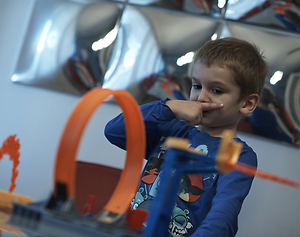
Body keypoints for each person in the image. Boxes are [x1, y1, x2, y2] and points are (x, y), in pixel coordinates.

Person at [104, 37, 268, 237]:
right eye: (197, 86)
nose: (201, 97)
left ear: (247, 104)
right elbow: (114, 131)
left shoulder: (238, 154)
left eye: (216, 90)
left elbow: (222, 216)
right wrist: (168, 107)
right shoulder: (172, 129)